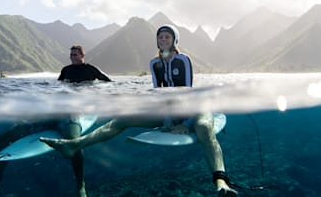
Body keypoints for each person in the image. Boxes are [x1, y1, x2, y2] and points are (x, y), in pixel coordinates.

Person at [40, 25, 238, 196]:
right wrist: (168, 122)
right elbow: (159, 95)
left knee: (203, 127)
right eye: (160, 37)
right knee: (121, 120)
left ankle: (221, 182)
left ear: (175, 40)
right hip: (169, 112)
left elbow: (187, 94)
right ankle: (74, 144)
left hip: (195, 107)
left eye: (167, 36)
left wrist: (184, 124)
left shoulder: (183, 60)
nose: (163, 40)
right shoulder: (154, 63)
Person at [0, 45, 111, 197]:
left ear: (82, 55)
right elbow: (57, 89)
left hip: (71, 114)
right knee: (5, 136)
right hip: (52, 113)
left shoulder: (92, 69)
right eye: (71, 55)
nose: (72, 57)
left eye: (75, 55)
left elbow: (109, 84)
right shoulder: (66, 70)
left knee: (75, 144)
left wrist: (92, 95)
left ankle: (81, 186)